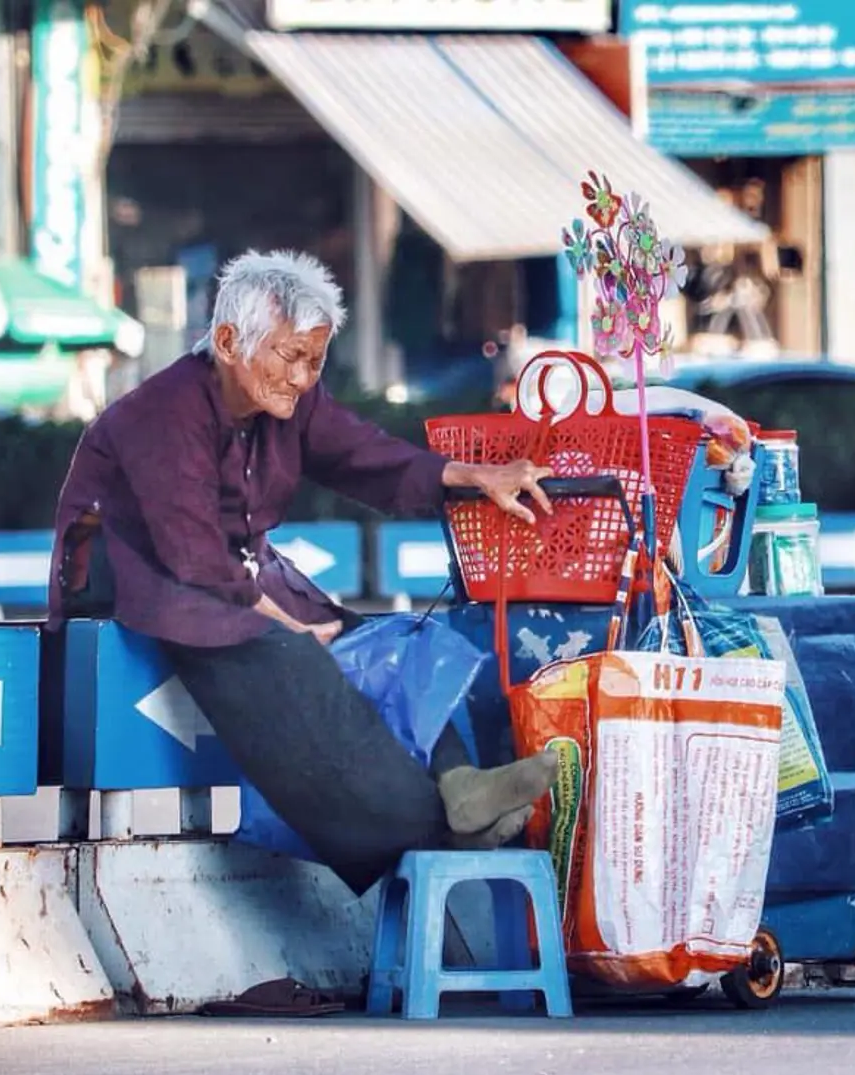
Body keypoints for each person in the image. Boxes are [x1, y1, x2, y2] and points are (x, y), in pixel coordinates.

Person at [47, 248, 561, 899]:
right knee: (284, 649)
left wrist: (473, 477)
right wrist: (286, 619)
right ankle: (429, 827)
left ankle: (460, 785)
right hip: (128, 573)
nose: (301, 376)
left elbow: (366, 455)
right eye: (289, 356)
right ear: (230, 342)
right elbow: (190, 553)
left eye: (314, 360)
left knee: (377, 644)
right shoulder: (162, 412)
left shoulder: (295, 403)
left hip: (230, 570)